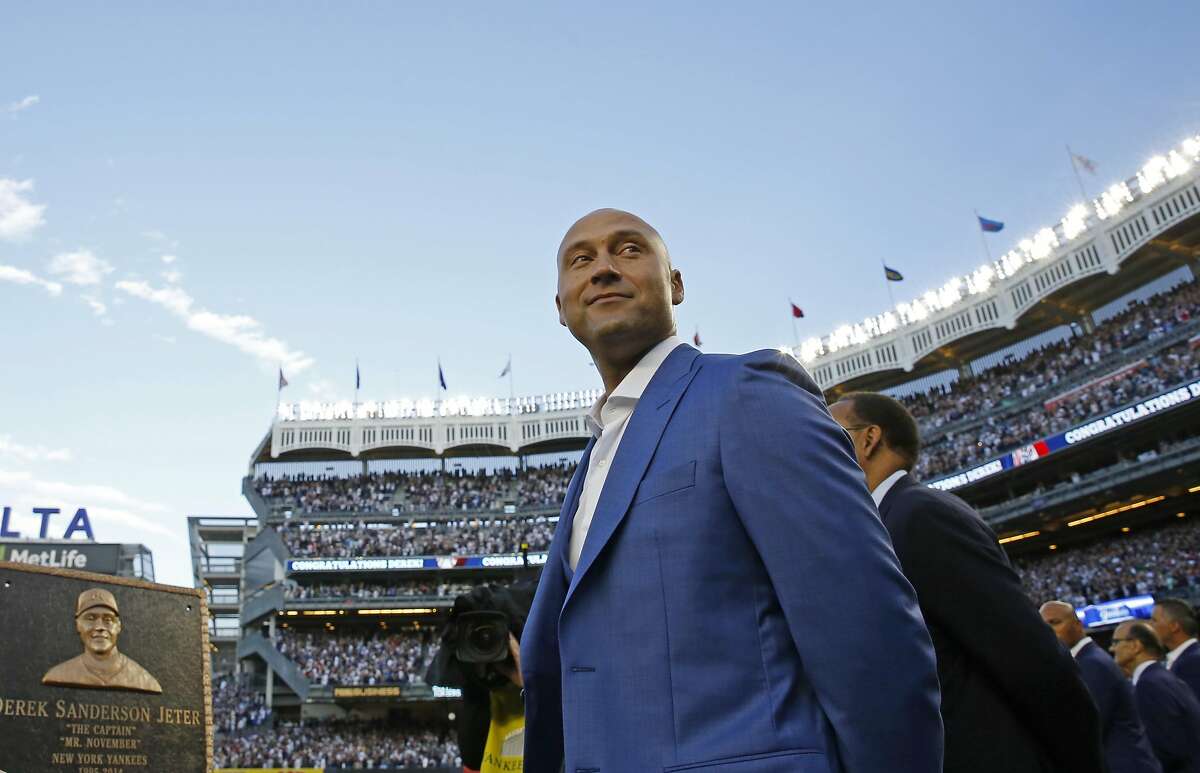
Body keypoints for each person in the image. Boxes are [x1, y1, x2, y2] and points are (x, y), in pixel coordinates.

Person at [519, 208, 942, 773]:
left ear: (676, 284)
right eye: (580, 260)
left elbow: (869, 635)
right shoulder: (596, 456)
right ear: (561, 307)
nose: (601, 270)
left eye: (627, 250)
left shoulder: (746, 393)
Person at [827, 391, 1103, 773]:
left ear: (868, 439)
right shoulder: (886, 520)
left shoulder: (918, 516)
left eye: (829, 432)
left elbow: (1027, 656)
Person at [1040, 600, 1161, 773]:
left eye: (1055, 622)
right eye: (1043, 625)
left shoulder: (1090, 663)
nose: (1049, 630)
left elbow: (1088, 726)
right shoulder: (1086, 660)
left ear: (1078, 625)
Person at [1111, 621, 1200, 773]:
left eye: (1116, 642)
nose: (1111, 648)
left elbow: (1167, 747)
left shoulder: (1149, 684)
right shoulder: (1161, 677)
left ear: (1135, 646)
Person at [42, 588, 162, 694]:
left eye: (108, 619)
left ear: (119, 626)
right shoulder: (59, 674)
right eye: (90, 618)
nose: (100, 627)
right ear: (78, 625)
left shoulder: (142, 679)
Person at [1152, 598, 1200, 700]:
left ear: (1174, 626)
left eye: (1154, 621)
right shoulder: (1186, 658)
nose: (1150, 626)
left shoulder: (1191, 662)